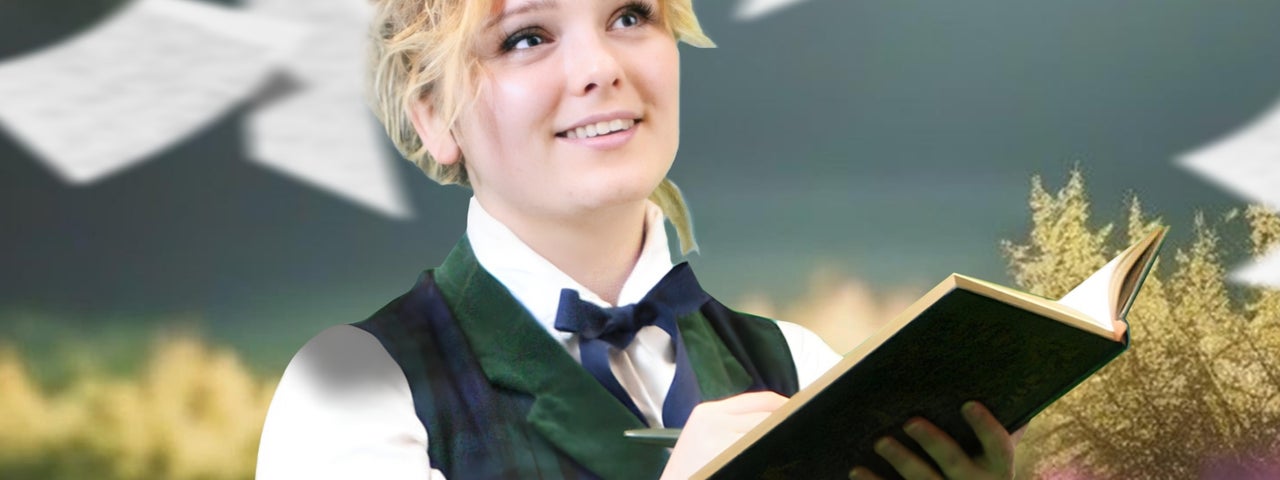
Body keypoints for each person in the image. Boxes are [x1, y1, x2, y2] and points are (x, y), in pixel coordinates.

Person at [256, 0, 1023, 478]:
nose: (600, 68)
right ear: (432, 113)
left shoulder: (803, 364)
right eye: (526, 36)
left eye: (630, 15)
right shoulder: (357, 393)